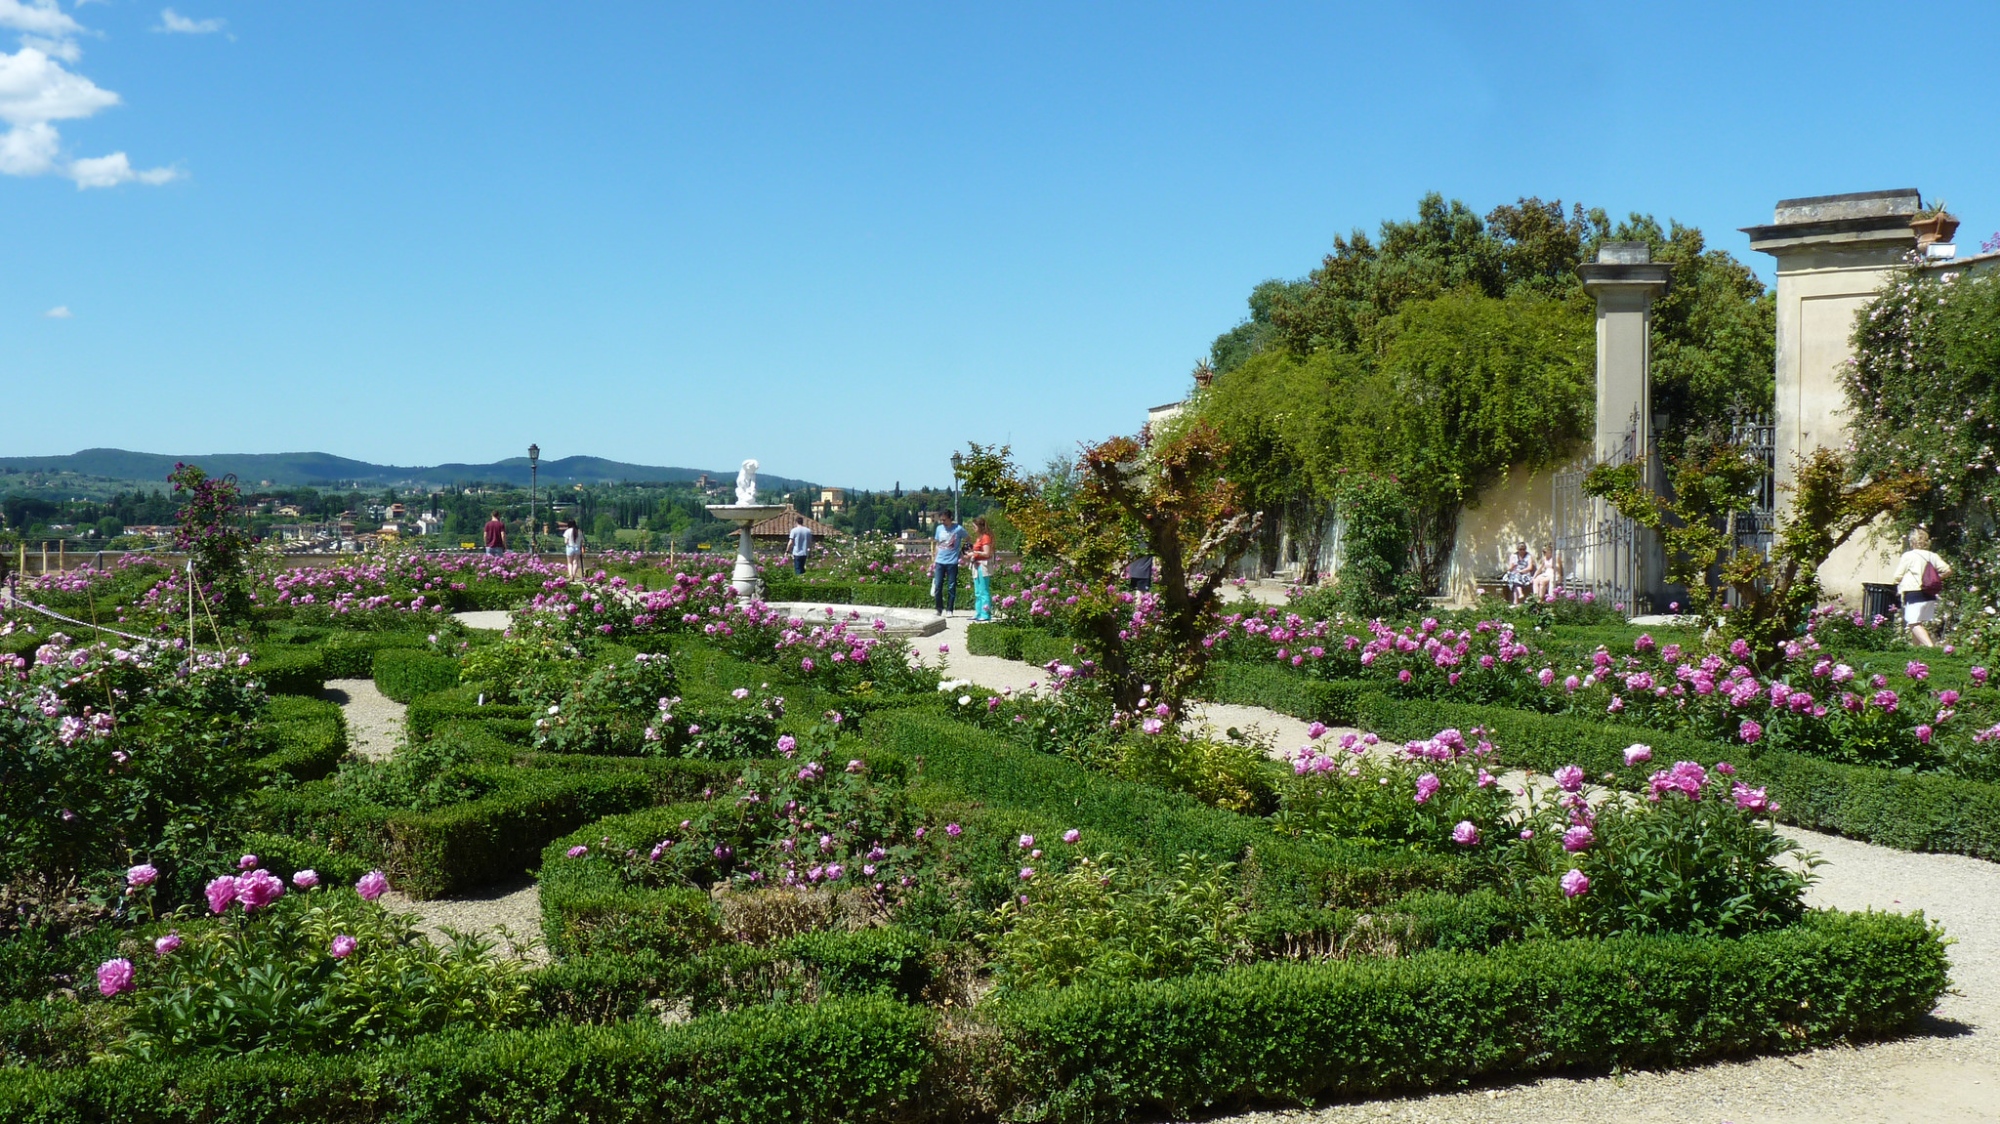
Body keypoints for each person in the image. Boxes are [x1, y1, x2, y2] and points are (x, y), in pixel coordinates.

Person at [1894, 528, 1952, 648]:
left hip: (1913, 592)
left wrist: (1898, 581)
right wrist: (1936, 579)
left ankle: (1931, 647)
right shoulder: (1932, 556)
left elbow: (1897, 576)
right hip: (1929, 593)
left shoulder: (1908, 556)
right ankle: (1916, 651)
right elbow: (1948, 570)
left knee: (1913, 623)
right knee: (1918, 622)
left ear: (1912, 542)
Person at [932, 513, 966, 615]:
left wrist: (962, 552)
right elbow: (937, 544)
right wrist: (934, 557)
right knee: (938, 585)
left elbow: (968, 539)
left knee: (951, 586)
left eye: (944, 520)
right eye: (941, 520)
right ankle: (939, 608)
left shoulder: (958, 529)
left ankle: (949, 609)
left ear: (950, 519)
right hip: (940, 561)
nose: (943, 522)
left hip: (952, 561)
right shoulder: (939, 529)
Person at [968, 516, 996, 621]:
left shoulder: (985, 537)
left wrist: (975, 552)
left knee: (984, 590)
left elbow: (987, 553)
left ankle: (985, 613)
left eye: (974, 526)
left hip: (983, 565)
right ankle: (978, 612)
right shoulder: (979, 538)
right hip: (976, 565)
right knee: (978, 591)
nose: (973, 528)